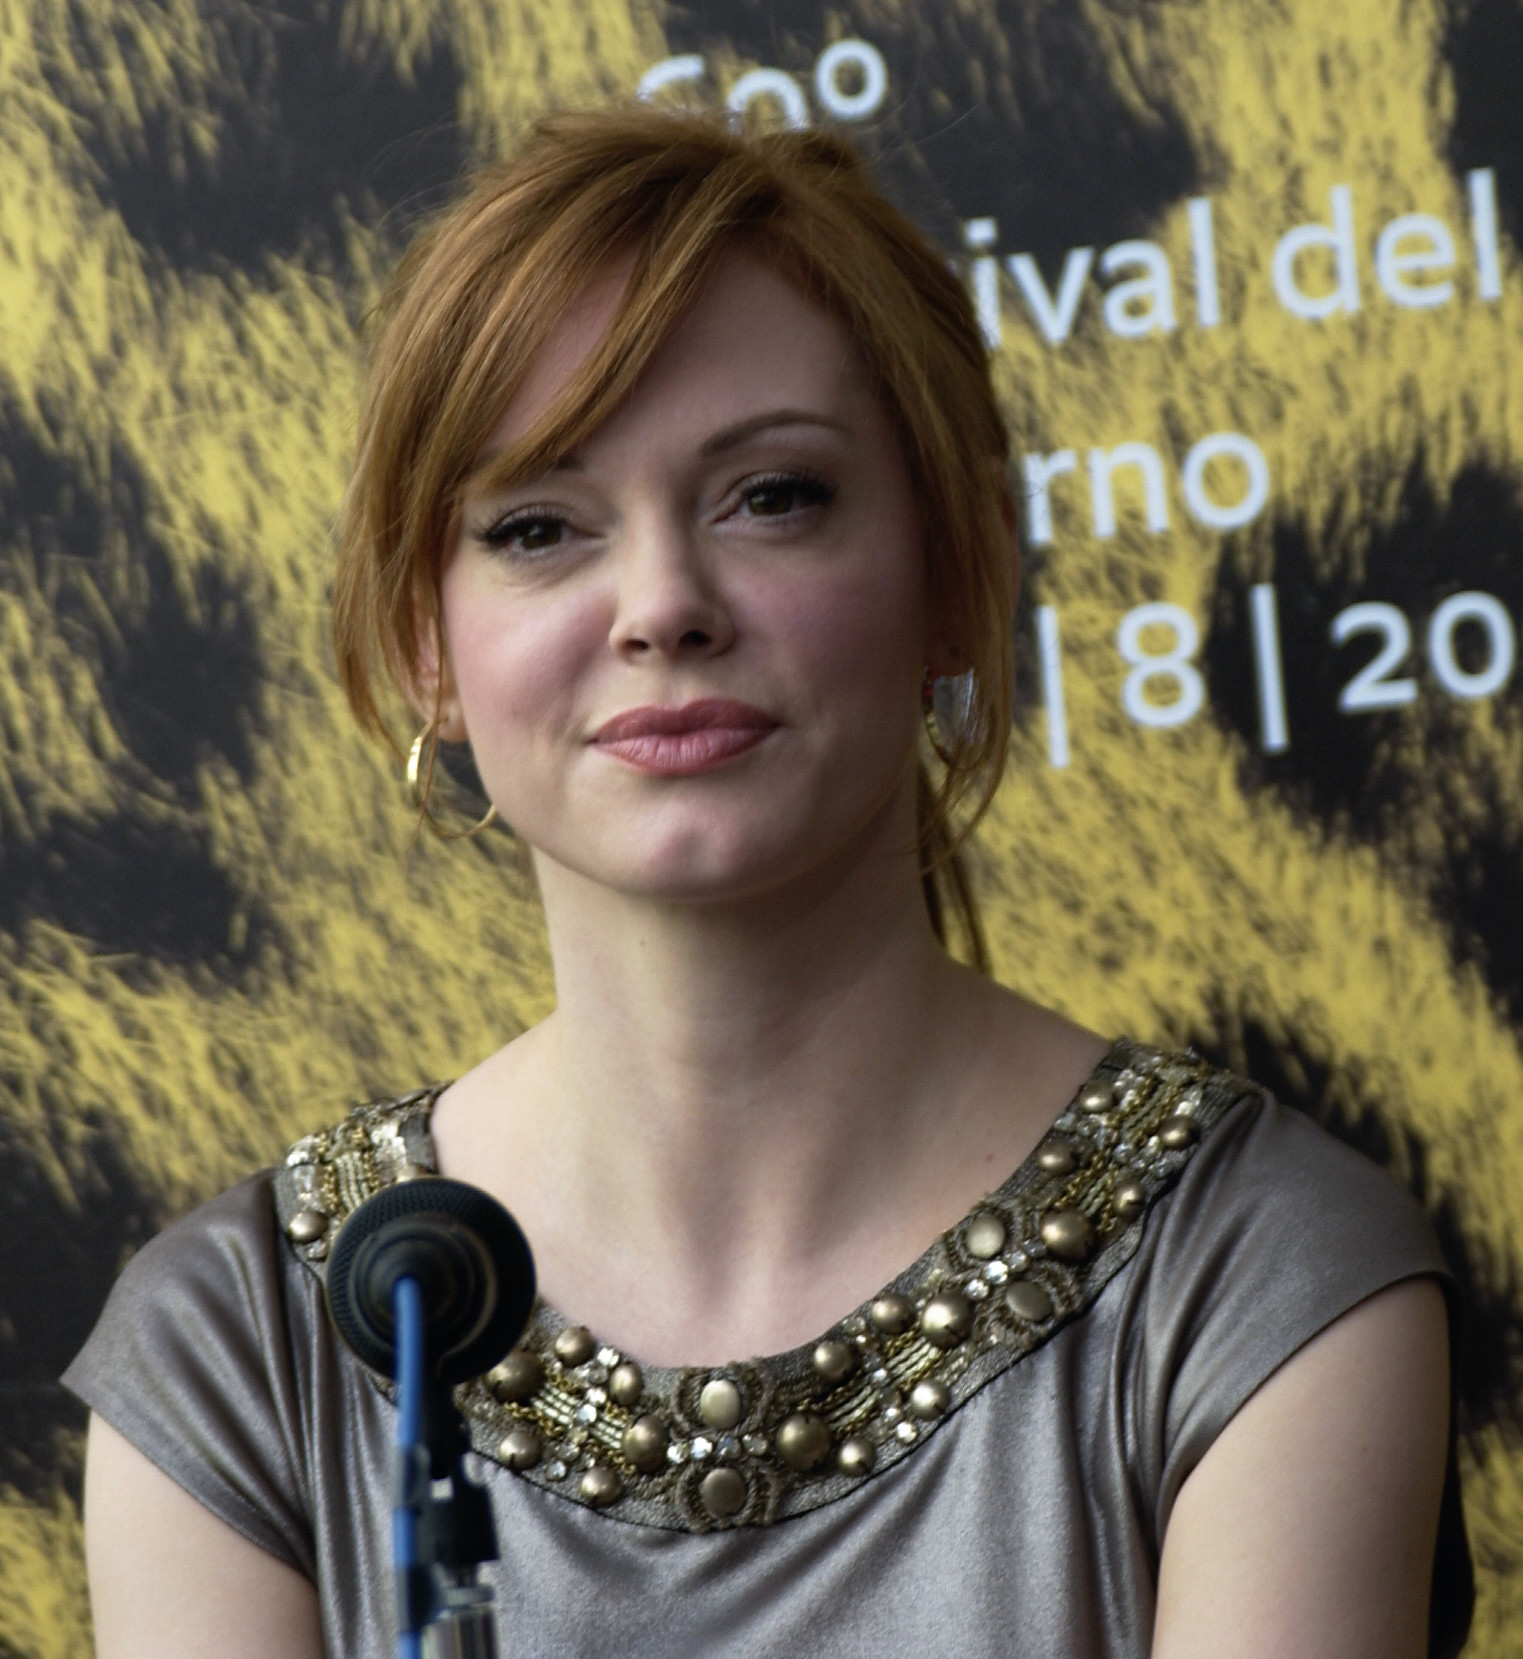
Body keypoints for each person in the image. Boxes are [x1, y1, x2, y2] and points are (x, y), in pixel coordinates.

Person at [66, 105, 1471, 1659]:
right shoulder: (237, 1350)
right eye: (536, 527)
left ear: (960, 570)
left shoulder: (1262, 1277)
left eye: (774, 495)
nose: (662, 604)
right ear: (424, 644)